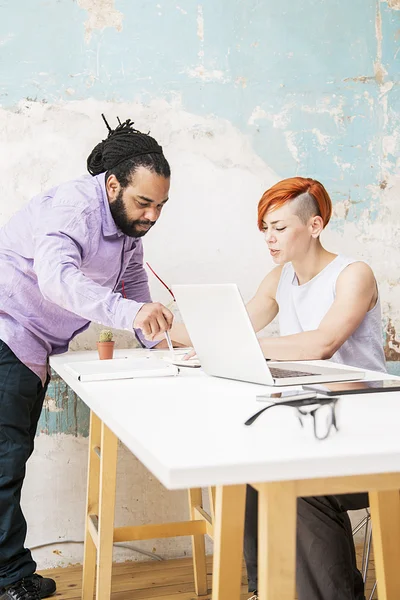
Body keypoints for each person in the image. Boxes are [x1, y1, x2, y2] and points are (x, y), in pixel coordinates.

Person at [174, 176, 386, 600]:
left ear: (314, 225)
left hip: (366, 434)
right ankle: (267, 590)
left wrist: (241, 346)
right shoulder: (279, 279)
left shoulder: (353, 275)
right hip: (312, 423)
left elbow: (321, 344)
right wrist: (159, 322)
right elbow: (232, 328)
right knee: (249, 459)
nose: (269, 238)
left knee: (290, 476)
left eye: (280, 227)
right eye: (265, 228)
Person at [0, 116, 176, 600]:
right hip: (7, 332)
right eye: (144, 202)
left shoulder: (128, 225)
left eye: (160, 205)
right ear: (113, 183)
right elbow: (59, 281)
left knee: (10, 459)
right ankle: (10, 579)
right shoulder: (71, 209)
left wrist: (163, 345)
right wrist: (134, 313)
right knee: (4, 464)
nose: (152, 216)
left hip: (32, 346)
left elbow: (134, 285)